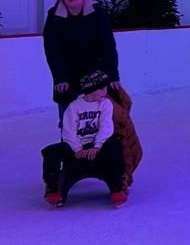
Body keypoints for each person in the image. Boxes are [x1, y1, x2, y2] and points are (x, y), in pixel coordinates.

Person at [41, 71, 130, 207]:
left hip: (99, 146)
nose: (105, 91)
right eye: (101, 88)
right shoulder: (74, 107)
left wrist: (97, 146)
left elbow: (106, 127)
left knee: (115, 145)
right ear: (90, 90)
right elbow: (68, 130)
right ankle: (53, 187)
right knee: (51, 151)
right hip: (77, 148)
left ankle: (119, 185)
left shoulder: (105, 104)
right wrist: (77, 148)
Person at [42, 0, 119, 115]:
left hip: (95, 75)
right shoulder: (54, 17)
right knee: (68, 122)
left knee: (98, 121)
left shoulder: (97, 14)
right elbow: (52, 51)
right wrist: (60, 78)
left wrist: (113, 76)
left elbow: (108, 47)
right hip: (67, 78)